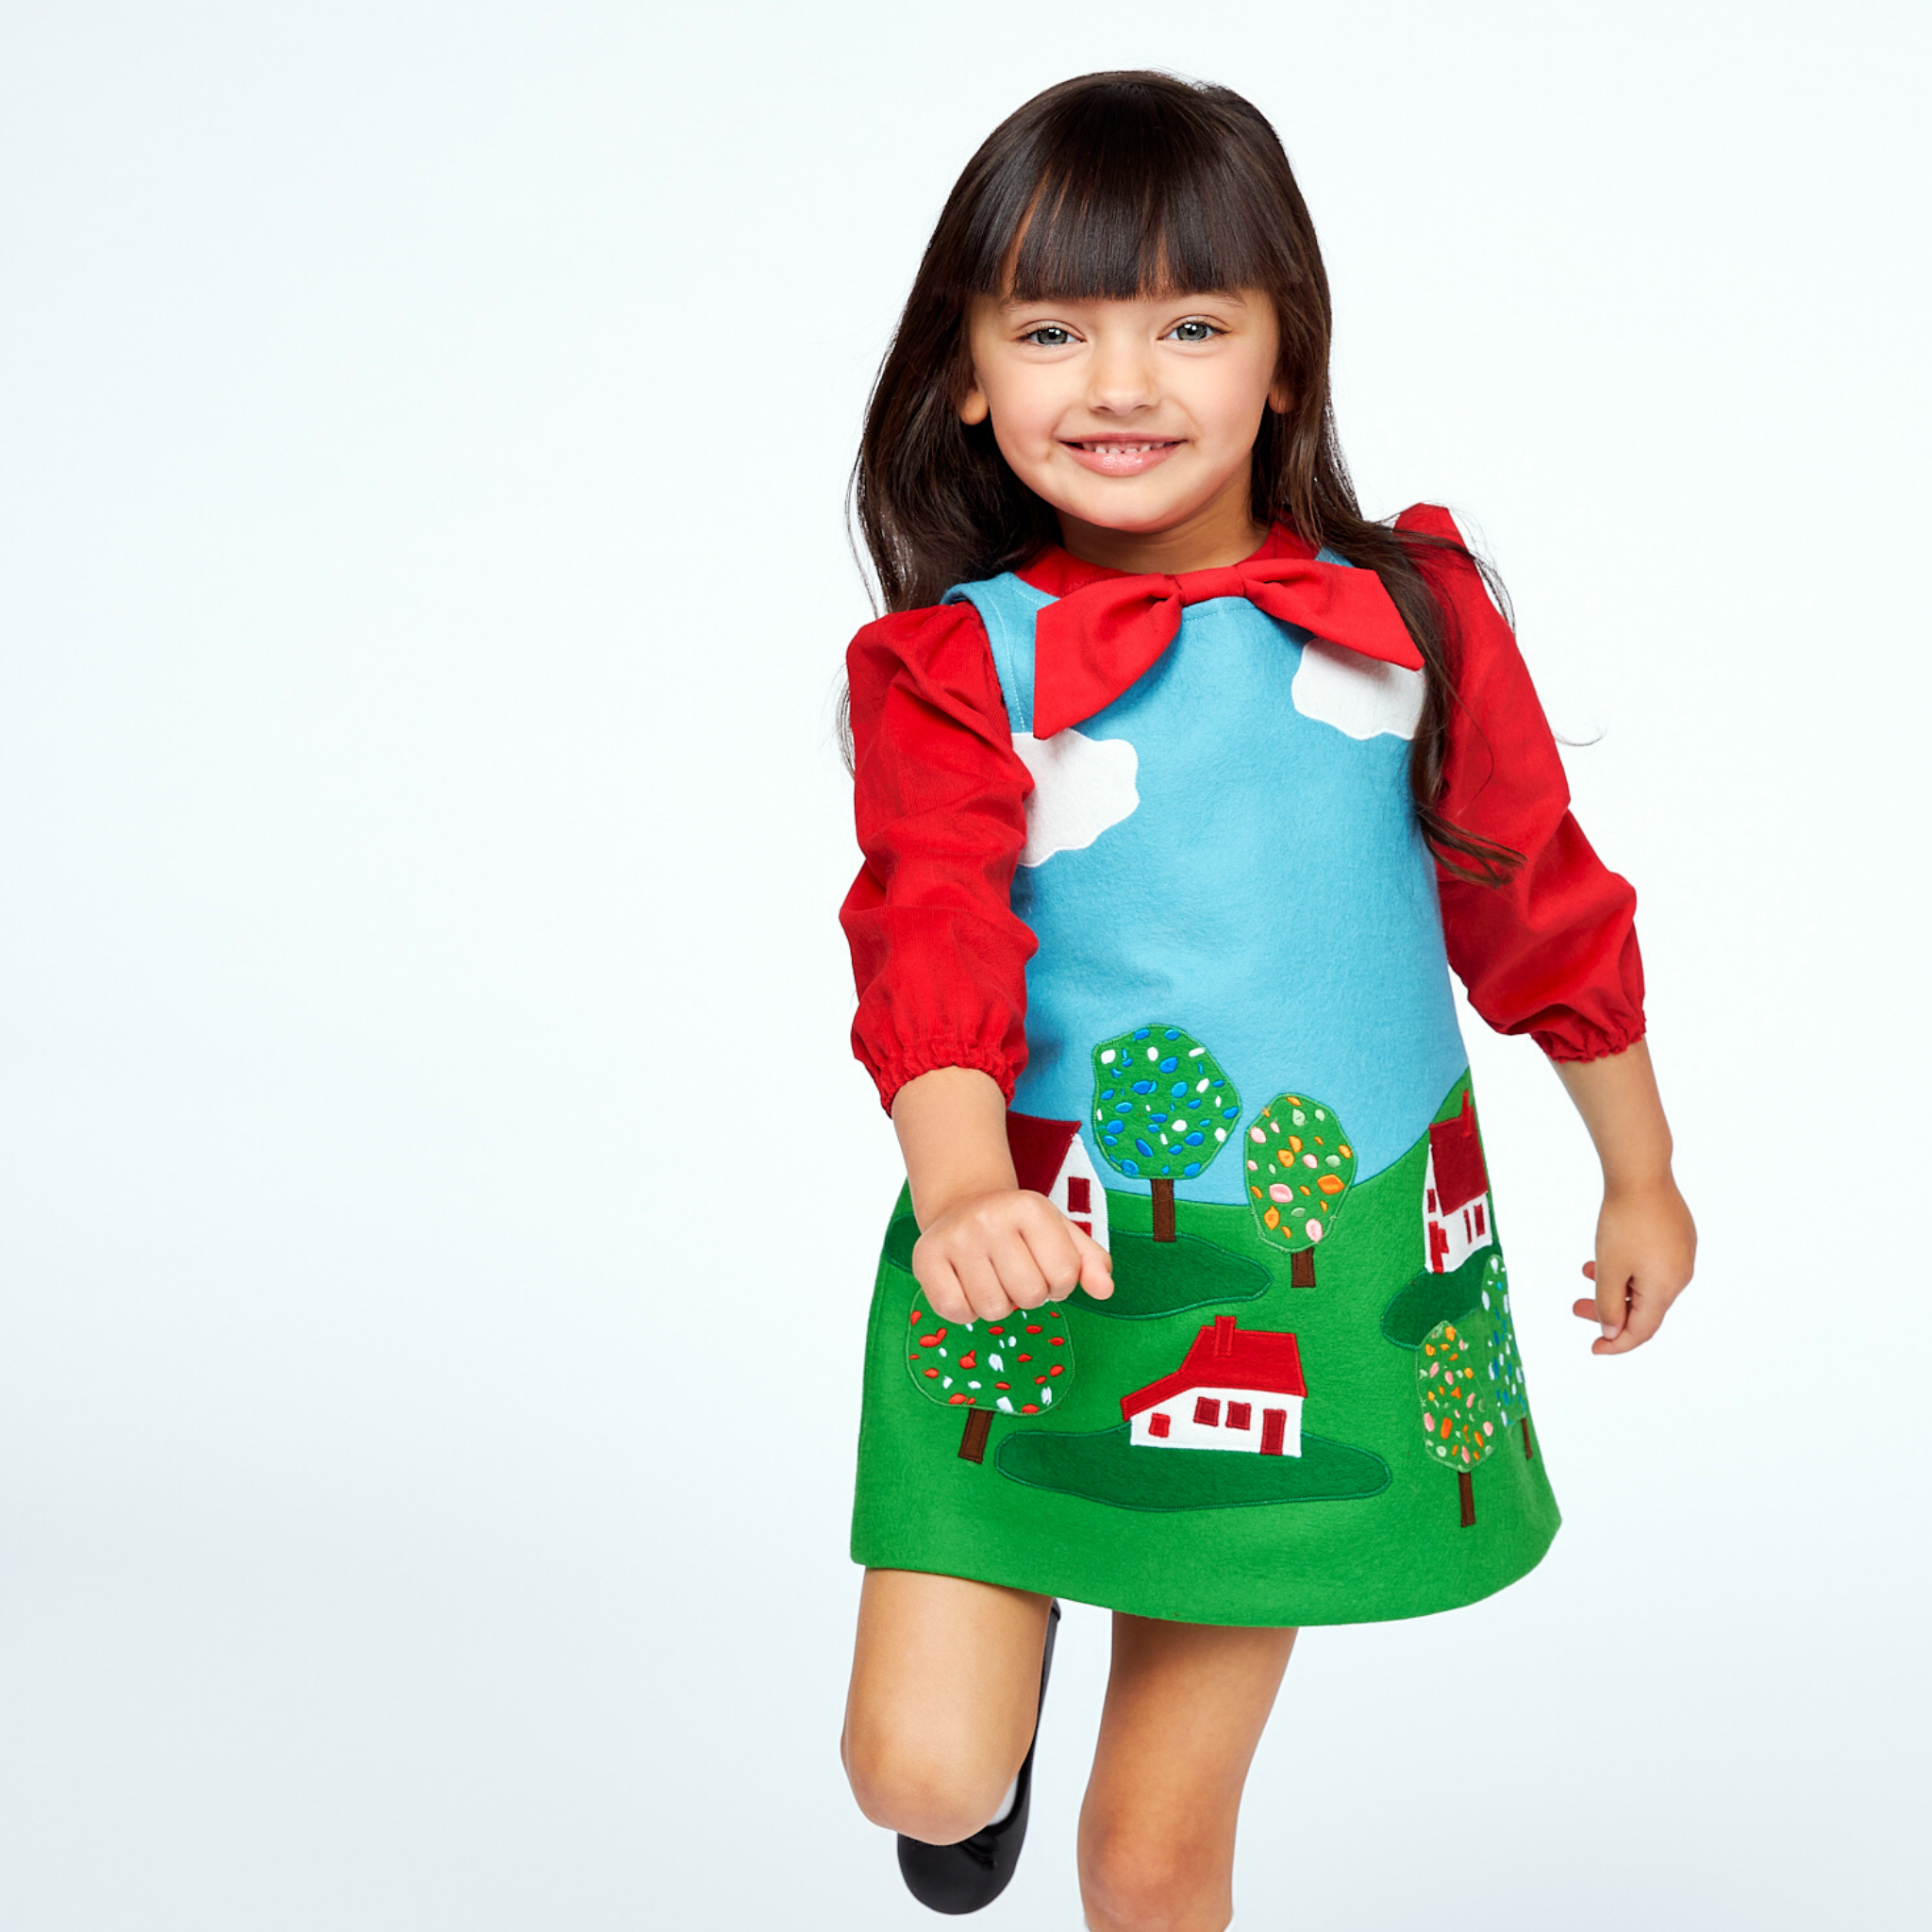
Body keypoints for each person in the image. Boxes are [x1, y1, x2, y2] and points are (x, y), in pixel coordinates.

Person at [835, 71, 1695, 1932]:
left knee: (1146, 1863)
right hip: (1024, 1252)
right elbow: (931, 946)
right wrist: (968, 1185)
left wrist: (1638, 1170)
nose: (1121, 381)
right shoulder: (953, 669)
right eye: (1052, 327)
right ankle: (1015, 1632)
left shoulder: (1410, 620)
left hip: (1309, 1294)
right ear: (967, 373)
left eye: (1191, 323)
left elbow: (1534, 899)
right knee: (917, 1769)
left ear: (1285, 358)